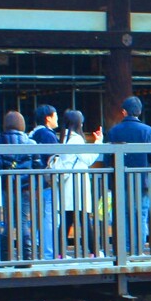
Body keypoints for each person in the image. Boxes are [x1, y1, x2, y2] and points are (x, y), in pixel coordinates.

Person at [106, 97, 151, 250]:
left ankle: (126, 249)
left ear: (124, 112)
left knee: (124, 215)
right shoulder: (148, 131)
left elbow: (108, 158)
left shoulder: (114, 131)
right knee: (141, 215)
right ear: (139, 111)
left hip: (120, 180)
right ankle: (139, 250)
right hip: (143, 180)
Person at [0, 110, 40, 260]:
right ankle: (27, 258)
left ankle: (5, 258)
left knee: (7, 222)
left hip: (7, 187)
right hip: (25, 187)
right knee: (23, 222)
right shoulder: (31, 142)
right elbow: (37, 165)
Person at [52, 109, 100, 255]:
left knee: (66, 220)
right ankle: (93, 252)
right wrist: (98, 142)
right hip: (77, 184)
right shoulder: (77, 139)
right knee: (84, 219)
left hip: (67, 185)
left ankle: (60, 254)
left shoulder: (64, 138)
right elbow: (88, 159)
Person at [28, 104, 62, 259]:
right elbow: (55, 159)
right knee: (49, 218)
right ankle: (48, 253)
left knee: (38, 217)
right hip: (47, 183)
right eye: (55, 115)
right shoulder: (48, 135)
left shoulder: (33, 134)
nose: (57, 119)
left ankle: (37, 251)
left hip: (34, 182)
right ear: (48, 118)